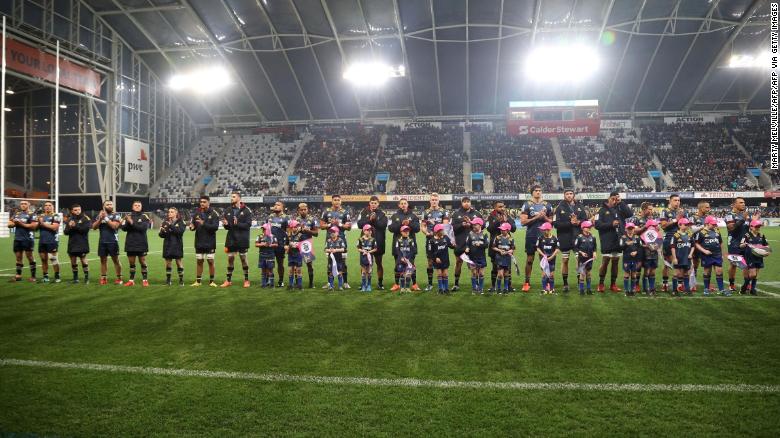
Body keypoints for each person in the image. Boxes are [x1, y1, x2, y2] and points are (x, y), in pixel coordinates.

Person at [594, 191, 633, 292]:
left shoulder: (619, 209)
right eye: (613, 198)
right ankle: (601, 284)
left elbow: (630, 214)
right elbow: (597, 225)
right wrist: (611, 224)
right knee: (605, 262)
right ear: (609, 198)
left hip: (618, 240)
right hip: (607, 240)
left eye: (617, 199)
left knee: (615, 262)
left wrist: (621, 202)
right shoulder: (601, 211)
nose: (615, 201)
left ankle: (613, 284)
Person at [553, 190, 589, 292]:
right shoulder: (559, 208)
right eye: (567, 194)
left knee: (579, 260)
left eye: (571, 194)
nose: (569, 195)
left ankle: (579, 282)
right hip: (564, 238)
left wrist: (578, 222)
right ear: (564, 195)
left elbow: (585, 220)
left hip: (578, 237)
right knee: (565, 260)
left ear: (573, 195)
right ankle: (565, 283)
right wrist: (570, 223)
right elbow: (555, 224)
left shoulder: (580, 206)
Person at [519, 186, 554, 292]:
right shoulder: (526, 205)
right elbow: (523, 222)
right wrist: (536, 217)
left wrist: (544, 218)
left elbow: (551, 222)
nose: (538, 192)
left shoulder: (547, 205)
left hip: (544, 237)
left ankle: (546, 282)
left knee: (544, 259)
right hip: (531, 235)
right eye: (536, 191)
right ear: (532, 193)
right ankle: (526, 282)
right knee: (530, 259)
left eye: (540, 191)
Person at [724, 197, 757, 293]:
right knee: (733, 264)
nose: (743, 204)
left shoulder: (746, 216)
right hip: (734, 244)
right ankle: (731, 284)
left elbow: (750, 229)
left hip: (746, 243)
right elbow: (731, 229)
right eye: (741, 202)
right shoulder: (729, 215)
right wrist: (743, 219)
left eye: (744, 202)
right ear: (734, 204)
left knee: (746, 264)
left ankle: (746, 284)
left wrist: (753, 222)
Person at [220, 192, 252, 288]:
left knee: (243, 259)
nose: (231, 198)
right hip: (231, 239)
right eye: (231, 197)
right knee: (230, 259)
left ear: (239, 198)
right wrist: (226, 224)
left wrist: (237, 224)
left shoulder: (246, 210)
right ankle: (228, 280)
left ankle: (246, 280)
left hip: (242, 239)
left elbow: (248, 225)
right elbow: (228, 227)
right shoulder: (228, 210)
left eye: (233, 197)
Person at [388, 198, 421, 291]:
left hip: (411, 246)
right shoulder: (395, 216)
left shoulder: (413, 216)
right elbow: (390, 228)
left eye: (405, 203)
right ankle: (396, 284)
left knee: (411, 265)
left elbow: (418, 229)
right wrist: (400, 224)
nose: (403, 205)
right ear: (399, 205)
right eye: (401, 203)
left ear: (407, 204)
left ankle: (414, 284)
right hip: (398, 246)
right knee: (398, 265)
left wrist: (409, 223)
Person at [357, 196, 389, 289]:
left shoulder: (383, 213)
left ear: (378, 204)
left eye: (375, 203)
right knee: (364, 264)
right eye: (372, 203)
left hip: (379, 242)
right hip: (365, 243)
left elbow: (383, 226)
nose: (373, 204)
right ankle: (364, 283)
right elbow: (359, 224)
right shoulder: (364, 212)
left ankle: (380, 283)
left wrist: (374, 221)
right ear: (369, 203)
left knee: (379, 263)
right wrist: (369, 220)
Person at [451, 196, 482, 291]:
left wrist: (471, 224)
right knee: (458, 262)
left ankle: (475, 285)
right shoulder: (456, 214)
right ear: (461, 203)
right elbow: (453, 228)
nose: (466, 203)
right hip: (460, 243)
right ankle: (456, 284)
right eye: (464, 201)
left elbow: (482, 226)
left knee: (473, 264)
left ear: (470, 203)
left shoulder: (477, 213)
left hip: (473, 243)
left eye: (468, 201)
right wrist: (462, 225)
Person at [321, 195, 352, 288]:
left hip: (341, 240)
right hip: (329, 240)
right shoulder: (326, 212)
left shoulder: (345, 212)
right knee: (330, 261)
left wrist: (339, 224)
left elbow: (349, 227)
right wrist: (330, 224)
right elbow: (321, 226)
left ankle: (345, 282)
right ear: (332, 201)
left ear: (341, 201)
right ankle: (329, 283)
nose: (337, 201)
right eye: (335, 200)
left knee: (343, 261)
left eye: (338, 200)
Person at [189, 196, 220, 287]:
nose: (202, 203)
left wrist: (204, 224)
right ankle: (198, 281)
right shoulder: (196, 214)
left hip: (210, 242)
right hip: (199, 241)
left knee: (210, 261)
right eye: (201, 202)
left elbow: (215, 227)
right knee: (199, 261)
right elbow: (193, 226)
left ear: (208, 203)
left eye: (204, 202)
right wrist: (192, 228)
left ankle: (212, 281)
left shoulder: (214, 214)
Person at [659, 194, 688, 292]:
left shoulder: (683, 212)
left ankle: (680, 284)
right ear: (670, 201)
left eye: (679, 200)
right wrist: (676, 219)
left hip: (681, 239)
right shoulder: (665, 211)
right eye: (675, 200)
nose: (677, 202)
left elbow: (687, 225)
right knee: (668, 263)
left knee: (681, 262)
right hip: (669, 239)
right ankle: (665, 283)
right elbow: (663, 226)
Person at [422, 193, 450, 291]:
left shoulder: (444, 212)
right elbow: (423, 227)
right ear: (430, 201)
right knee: (430, 261)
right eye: (432, 199)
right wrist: (426, 233)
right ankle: (430, 284)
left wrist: (436, 231)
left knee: (442, 260)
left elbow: (445, 226)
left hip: (442, 240)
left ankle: (443, 283)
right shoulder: (426, 212)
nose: (434, 201)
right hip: (430, 240)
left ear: (438, 201)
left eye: (435, 199)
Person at [486, 201, 516, 292]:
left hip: (507, 246)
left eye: (503, 206)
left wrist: (507, 221)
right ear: (495, 208)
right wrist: (498, 222)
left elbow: (514, 229)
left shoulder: (508, 216)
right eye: (500, 207)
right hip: (495, 246)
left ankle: (508, 286)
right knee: (495, 267)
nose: (502, 208)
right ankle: (493, 286)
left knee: (508, 267)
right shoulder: (491, 216)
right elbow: (489, 229)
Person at [695, 216, 727, 296]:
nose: (714, 225)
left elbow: (721, 243)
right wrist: (704, 251)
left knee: (719, 271)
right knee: (707, 271)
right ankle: (706, 289)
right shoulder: (701, 232)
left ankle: (721, 289)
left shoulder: (717, 230)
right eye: (712, 224)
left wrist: (722, 254)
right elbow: (696, 244)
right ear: (707, 223)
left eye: (715, 224)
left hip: (717, 254)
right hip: (707, 255)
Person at [122, 200, 152, 287]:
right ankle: (131, 280)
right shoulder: (128, 216)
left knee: (142, 262)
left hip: (141, 243)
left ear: (141, 207)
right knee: (131, 263)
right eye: (135, 205)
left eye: (139, 205)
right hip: (130, 242)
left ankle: (145, 280)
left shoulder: (144, 216)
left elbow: (143, 228)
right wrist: (128, 222)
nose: (137, 206)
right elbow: (124, 228)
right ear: (132, 207)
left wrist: (131, 223)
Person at [92, 200, 122, 285]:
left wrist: (105, 218)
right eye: (107, 204)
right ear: (104, 206)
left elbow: (114, 226)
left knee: (115, 260)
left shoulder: (116, 215)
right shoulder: (100, 215)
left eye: (111, 204)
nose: (110, 205)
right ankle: (104, 278)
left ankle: (119, 278)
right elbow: (94, 227)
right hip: (102, 241)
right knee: (103, 260)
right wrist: (100, 219)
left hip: (113, 241)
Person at [7, 200, 38, 282]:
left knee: (30, 257)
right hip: (17, 238)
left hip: (28, 239)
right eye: (21, 204)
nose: (23, 205)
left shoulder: (32, 214)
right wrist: (14, 223)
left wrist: (20, 223)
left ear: (29, 205)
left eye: (25, 204)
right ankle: (18, 276)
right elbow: (9, 224)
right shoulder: (17, 214)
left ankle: (33, 276)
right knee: (18, 257)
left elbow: (33, 226)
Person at [739, 220, 768, 296]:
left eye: (759, 226)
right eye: (756, 226)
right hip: (750, 257)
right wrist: (744, 244)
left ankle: (752, 289)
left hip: (759, 256)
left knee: (756, 274)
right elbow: (740, 245)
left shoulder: (761, 235)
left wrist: (766, 251)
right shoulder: (746, 235)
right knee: (753, 274)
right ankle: (744, 287)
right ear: (751, 227)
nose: (758, 228)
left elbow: (766, 246)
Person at [63, 204, 90, 284]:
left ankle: (86, 278)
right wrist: (70, 227)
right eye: (75, 210)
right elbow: (65, 232)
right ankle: (75, 278)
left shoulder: (85, 218)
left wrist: (75, 226)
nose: (78, 211)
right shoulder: (69, 219)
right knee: (73, 262)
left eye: (79, 209)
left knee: (84, 261)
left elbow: (85, 230)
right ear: (72, 211)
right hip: (72, 244)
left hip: (82, 243)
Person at [294, 203, 319, 289]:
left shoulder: (312, 219)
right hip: (296, 244)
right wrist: (298, 230)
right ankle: (297, 283)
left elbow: (316, 233)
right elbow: (290, 233)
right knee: (296, 265)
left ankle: (311, 283)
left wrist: (308, 230)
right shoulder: (295, 220)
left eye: (305, 209)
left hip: (306, 244)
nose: (303, 211)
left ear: (307, 210)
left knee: (309, 264)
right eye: (301, 210)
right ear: (298, 210)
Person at [159, 207, 186, 286]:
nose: (169, 213)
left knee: (178, 262)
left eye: (172, 212)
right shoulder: (165, 222)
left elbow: (180, 232)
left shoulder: (181, 222)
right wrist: (162, 232)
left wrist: (170, 225)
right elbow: (161, 235)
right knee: (168, 263)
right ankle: (168, 281)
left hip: (177, 245)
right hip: (167, 244)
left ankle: (181, 281)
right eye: (169, 212)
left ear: (176, 213)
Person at [688, 200, 711, 292]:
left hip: (706, 244)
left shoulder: (708, 218)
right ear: (701, 208)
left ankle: (706, 285)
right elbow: (690, 230)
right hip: (695, 244)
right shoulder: (693, 217)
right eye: (707, 207)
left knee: (707, 264)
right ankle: (692, 283)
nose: (709, 209)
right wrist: (703, 227)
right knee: (694, 264)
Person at [427, 223, 455, 294]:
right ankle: (440, 289)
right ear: (437, 231)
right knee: (439, 274)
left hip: (445, 259)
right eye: (441, 230)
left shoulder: (445, 238)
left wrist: (454, 245)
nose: (443, 231)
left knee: (445, 274)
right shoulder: (431, 241)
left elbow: (450, 246)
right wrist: (435, 258)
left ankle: (446, 289)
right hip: (437, 260)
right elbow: (430, 253)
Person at [669, 217, 694, 296]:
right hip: (679, 257)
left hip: (687, 257)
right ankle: (674, 290)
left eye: (687, 225)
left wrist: (691, 254)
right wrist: (674, 258)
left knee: (686, 273)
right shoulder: (675, 235)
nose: (687, 226)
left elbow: (693, 245)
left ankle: (687, 289)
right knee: (676, 274)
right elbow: (672, 247)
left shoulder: (690, 234)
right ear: (680, 225)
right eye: (685, 224)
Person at [37, 201, 60, 283]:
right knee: (43, 259)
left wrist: (42, 223)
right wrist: (37, 222)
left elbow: (54, 227)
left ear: (53, 207)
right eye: (46, 205)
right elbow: (36, 228)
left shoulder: (56, 216)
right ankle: (45, 276)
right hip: (42, 241)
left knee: (53, 259)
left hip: (52, 241)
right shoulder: (41, 216)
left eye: (49, 205)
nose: (47, 207)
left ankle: (57, 275)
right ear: (44, 207)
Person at [267, 201, 289, 288]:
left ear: (282, 207)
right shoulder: (270, 217)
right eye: (275, 205)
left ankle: (281, 280)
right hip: (270, 244)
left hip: (280, 244)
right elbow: (266, 230)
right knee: (269, 263)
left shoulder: (286, 218)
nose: (275, 206)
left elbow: (289, 232)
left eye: (278, 205)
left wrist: (287, 244)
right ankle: (270, 279)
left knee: (280, 263)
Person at [464, 217, 489, 294]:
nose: (474, 226)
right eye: (473, 225)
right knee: (474, 273)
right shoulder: (470, 234)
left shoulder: (484, 234)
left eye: (476, 225)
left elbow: (486, 245)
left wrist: (480, 245)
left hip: (481, 257)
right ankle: (474, 289)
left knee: (481, 273)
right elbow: (467, 244)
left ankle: (480, 289)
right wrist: (467, 248)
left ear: (480, 225)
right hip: (472, 257)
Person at [574, 221, 598, 295]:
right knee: (582, 273)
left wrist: (594, 253)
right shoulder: (579, 237)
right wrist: (581, 253)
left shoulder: (593, 237)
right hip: (582, 258)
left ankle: (589, 289)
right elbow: (575, 248)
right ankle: (581, 290)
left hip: (590, 258)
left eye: (589, 227)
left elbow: (595, 247)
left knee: (588, 273)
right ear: (583, 228)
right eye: (587, 227)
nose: (589, 228)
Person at [536, 222, 559, 294]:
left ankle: (552, 289)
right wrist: (543, 255)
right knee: (544, 275)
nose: (542, 231)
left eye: (544, 229)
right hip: (543, 259)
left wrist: (551, 256)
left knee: (551, 275)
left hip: (552, 259)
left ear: (548, 230)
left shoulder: (555, 238)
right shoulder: (540, 238)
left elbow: (557, 249)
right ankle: (544, 289)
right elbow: (537, 248)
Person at [493, 222, 516, 294]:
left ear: (508, 230)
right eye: (501, 229)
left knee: (506, 274)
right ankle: (499, 288)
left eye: (504, 230)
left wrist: (507, 252)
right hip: (499, 258)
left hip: (507, 258)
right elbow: (493, 247)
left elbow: (513, 249)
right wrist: (500, 250)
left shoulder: (511, 239)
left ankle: (506, 288)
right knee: (500, 274)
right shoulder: (497, 238)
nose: (502, 231)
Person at [620, 223, 642, 297]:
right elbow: (620, 248)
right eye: (629, 229)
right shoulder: (623, 238)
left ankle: (632, 290)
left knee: (633, 274)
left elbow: (640, 248)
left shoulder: (637, 237)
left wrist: (636, 252)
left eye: (632, 228)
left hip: (635, 259)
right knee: (626, 273)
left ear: (634, 229)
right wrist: (626, 244)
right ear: (626, 229)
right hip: (626, 258)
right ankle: (626, 290)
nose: (630, 230)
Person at [393, 225, 418, 293]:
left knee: (408, 274)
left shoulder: (411, 240)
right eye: (404, 231)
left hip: (409, 260)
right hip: (401, 260)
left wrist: (409, 259)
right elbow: (397, 250)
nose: (406, 232)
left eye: (407, 231)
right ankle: (402, 288)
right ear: (401, 232)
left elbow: (413, 250)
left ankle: (407, 287)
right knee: (402, 274)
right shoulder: (398, 240)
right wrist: (401, 258)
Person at [640, 219, 661, 295]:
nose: (657, 226)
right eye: (655, 225)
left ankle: (651, 288)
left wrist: (650, 246)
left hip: (654, 255)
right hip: (647, 255)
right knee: (647, 272)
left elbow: (658, 244)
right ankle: (645, 288)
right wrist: (652, 246)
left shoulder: (657, 233)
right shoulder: (644, 234)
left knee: (652, 272)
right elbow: (642, 245)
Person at [256, 223, 278, 288]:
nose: (263, 230)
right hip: (262, 255)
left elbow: (276, 244)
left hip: (270, 255)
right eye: (262, 229)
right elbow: (256, 244)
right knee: (263, 270)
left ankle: (272, 284)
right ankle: (263, 284)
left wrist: (270, 245)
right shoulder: (259, 236)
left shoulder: (273, 236)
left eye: (264, 229)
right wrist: (263, 244)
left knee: (271, 270)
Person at [357, 224, 378, 292]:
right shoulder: (360, 239)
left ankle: (369, 285)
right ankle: (363, 285)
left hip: (369, 258)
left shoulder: (373, 239)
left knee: (369, 271)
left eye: (370, 230)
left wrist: (369, 252)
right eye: (367, 230)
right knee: (363, 272)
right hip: (363, 257)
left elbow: (375, 249)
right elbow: (358, 248)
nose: (369, 231)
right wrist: (363, 251)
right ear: (364, 231)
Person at [324, 226, 347, 290]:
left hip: (339, 260)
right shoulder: (328, 241)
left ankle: (340, 286)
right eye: (331, 232)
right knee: (331, 273)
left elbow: (343, 249)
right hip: (331, 260)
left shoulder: (340, 240)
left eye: (333, 232)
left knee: (340, 273)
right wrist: (330, 250)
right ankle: (331, 286)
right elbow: (325, 249)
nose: (332, 233)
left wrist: (335, 250)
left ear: (337, 233)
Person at [285, 220, 304, 290]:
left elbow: (304, 246)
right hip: (290, 255)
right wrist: (286, 247)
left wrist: (297, 245)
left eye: (296, 227)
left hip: (298, 255)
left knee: (298, 270)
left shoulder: (300, 235)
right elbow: (286, 244)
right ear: (291, 227)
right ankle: (290, 285)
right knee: (290, 270)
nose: (294, 228)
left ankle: (300, 285)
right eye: (293, 227)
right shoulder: (289, 235)